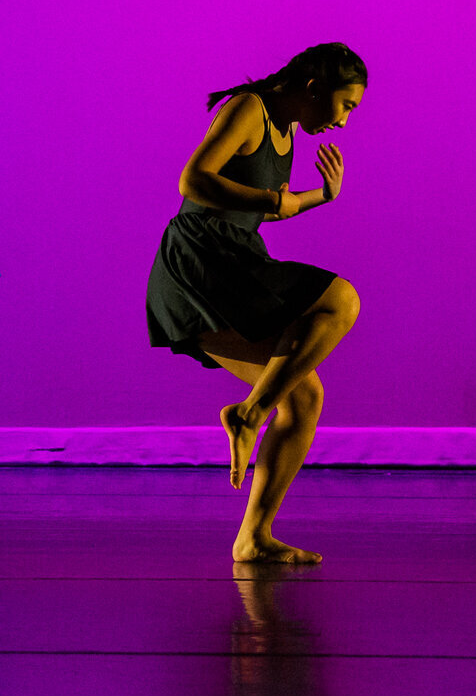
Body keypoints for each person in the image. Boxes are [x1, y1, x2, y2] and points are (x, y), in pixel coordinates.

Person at [146, 43, 366, 564]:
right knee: (341, 299)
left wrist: (320, 198)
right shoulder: (248, 108)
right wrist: (276, 201)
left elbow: (265, 210)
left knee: (304, 397)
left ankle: (253, 538)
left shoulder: (285, 131)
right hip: (200, 263)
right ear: (314, 88)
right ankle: (248, 413)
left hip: (233, 257)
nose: (345, 120)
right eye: (346, 105)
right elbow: (192, 181)